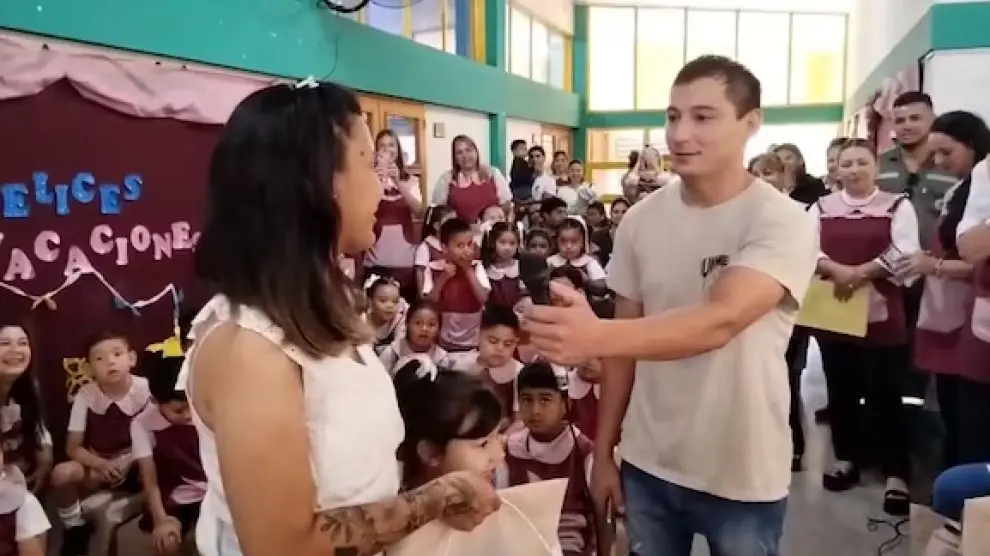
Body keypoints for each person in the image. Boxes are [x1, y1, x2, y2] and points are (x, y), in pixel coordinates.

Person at [180, 81, 498, 556]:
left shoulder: (322, 309)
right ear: (322, 183)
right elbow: (284, 546)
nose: (382, 185)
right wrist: (436, 497)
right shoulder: (251, 351)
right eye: (369, 164)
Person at [522, 56, 817, 556]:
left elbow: (720, 319)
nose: (680, 134)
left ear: (751, 123)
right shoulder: (641, 221)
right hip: (648, 462)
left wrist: (594, 334)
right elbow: (623, 350)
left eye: (703, 117)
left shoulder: (780, 220)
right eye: (673, 116)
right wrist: (606, 451)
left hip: (741, 469)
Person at [810, 139, 918, 515]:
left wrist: (862, 272)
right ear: (836, 170)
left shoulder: (897, 205)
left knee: (886, 391)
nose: (854, 170)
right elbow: (808, 249)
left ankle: (896, 472)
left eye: (861, 162)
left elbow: (905, 249)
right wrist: (837, 270)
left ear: (876, 167)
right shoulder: (821, 207)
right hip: (835, 310)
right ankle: (847, 457)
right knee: (841, 388)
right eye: (846, 164)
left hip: (882, 309)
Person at [906, 111, 989, 467]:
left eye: (946, 152)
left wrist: (934, 266)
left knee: (972, 420)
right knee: (954, 412)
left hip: (970, 314)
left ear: (972, 145)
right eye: (934, 154)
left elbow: (975, 259)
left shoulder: (979, 185)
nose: (939, 161)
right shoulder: (961, 188)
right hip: (947, 310)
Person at [53, 331, 151, 556]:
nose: (110, 362)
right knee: (61, 473)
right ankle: (74, 528)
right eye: (99, 358)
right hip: (100, 463)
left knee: (159, 465)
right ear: (90, 368)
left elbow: (156, 436)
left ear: (132, 358)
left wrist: (129, 459)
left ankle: (148, 510)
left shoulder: (145, 390)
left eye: (117, 354)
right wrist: (100, 464)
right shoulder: (86, 395)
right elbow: (73, 447)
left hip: (137, 462)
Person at [505, 361, 594, 556]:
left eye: (545, 400)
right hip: (519, 536)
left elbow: (598, 517)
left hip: (568, 541)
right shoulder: (509, 448)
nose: (535, 410)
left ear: (565, 404)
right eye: (527, 400)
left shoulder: (583, 452)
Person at [131, 354, 205, 556]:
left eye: (191, 406)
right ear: (156, 402)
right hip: (175, 497)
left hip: (213, 493)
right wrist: (160, 519)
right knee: (167, 542)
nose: (188, 415)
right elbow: (149, 478)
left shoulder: (206, 411)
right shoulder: (142, 424)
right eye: (178, 410)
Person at [367, 129, 425, 299]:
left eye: (391, 145)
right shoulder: (368, 179)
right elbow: (364, 208)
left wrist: (398, 182)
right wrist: (377, 182)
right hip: (376, 257)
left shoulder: (411, 180)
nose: (387, 149)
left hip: (405, 258)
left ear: (398, 150)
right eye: (382, 146)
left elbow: (419, 210)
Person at [423, 218, 490, 351]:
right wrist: (443, 278)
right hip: (442, 342)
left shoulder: (477, 267)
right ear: (444, 248)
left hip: (472, 341)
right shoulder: (434, 268)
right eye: (460, 246)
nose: (467, 250)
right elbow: (430, 303)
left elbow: (483, 298)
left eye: (469, 244)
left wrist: (468, 270)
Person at [0, 324, 53, 493]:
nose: (15, 350)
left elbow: (39, 428)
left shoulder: (28, 388)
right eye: (5, 343)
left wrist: (45, 460)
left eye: (22, 343)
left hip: (23, 480)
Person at [431, 135, 512, 222]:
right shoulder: (447, 178)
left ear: (476, 152)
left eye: (468, 150)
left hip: (491, 228)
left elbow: (506, 205)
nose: (465, 155)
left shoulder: (493, 173)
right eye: (459, 152)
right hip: (460, 229)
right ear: (455, 158)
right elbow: (438, 211)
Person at [378, 301, 449, 375]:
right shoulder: (392, 352)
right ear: (407, 324)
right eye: (418, 323)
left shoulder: (441, 359)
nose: (424, 329)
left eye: (431, 324)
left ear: (439, 328)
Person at [481, 221, 527, 311]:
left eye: (512, 243)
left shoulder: (521, 267)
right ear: (492, 243)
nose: (507, 248)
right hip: (493, 315)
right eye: (502, 242)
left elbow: (525, 294)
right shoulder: (486, 269)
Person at [363, 276, 407, 354]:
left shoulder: (400, 320)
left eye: (395, 301)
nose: (390, 306)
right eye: (383, 301)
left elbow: (400, 348)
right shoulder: (363, 319)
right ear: (370, 302)